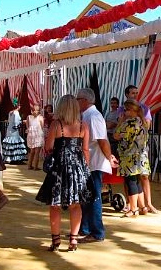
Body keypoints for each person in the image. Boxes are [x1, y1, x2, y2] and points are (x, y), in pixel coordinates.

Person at [36, 94, 94, 251]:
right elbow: (85, 150)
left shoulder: (56, 125)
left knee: (55, 205)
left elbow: (48, 147)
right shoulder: (84, 126)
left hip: (60, 169)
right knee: (76, 205)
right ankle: (73, 240)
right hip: (77, 168)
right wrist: (86, 170)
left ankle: (56, 240)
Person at [77, 88, 118, 243]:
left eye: (78, 99)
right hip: (89, 161)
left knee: (94, 197)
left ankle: (97, 232)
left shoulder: (93, 116)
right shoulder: (88, 115)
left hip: (95, 161)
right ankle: (86, 228)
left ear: (85, 100)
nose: (76, 102)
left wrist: (109, 157)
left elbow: (101, 140)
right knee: (87, 197)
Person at [118, 85, 158, 213]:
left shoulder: (143, 109)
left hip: (134, 151)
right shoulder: (122, 110)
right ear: (127, 94)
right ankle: (137, 205)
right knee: (132, 179)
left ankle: (142, 205)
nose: (135, 95)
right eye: (133, 93)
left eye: (136, 92)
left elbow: (118, 132)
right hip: (135, 150)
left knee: (137, 178)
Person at [114, 99, 149, 217]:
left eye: (125, 110)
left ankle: (133, 209)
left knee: (131, 182)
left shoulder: (128, 123)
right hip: (141, 156)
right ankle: (142, 206)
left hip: (129, 157)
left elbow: (116, 135)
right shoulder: (142, 122)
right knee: (137, 181)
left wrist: (120, 122)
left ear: (131, 110)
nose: (124, 112)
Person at [2, 98, 28, 164]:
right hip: (14, 130)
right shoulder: (16, 113)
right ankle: (16, 158)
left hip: (9, 129)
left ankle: (9, 157)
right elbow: (16, 122)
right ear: (18, 106)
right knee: (15, 142)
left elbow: (9, 121)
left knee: (10, 142)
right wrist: (22, 122)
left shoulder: (10, 112)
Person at [25, 105, 44, 170]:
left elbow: (27, 126)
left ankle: (29, 165)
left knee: (32, 151)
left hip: (31, 134)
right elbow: (42, 126)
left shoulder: (29, 117)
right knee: (37, 152)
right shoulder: (40, 117)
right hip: (38, 134)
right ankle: (35, 166)